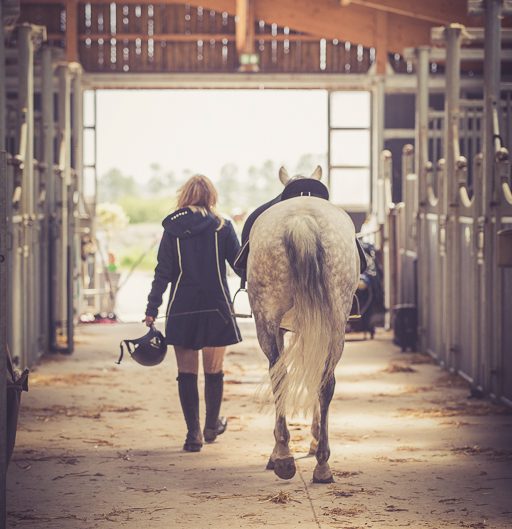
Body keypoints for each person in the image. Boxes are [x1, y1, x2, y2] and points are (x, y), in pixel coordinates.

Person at [144, 174, 242, 453]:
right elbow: (238, 265)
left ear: (184, 195)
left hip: (182, 308)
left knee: (186, 373)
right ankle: (212, 426)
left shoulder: (172, 228)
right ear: (212, 196)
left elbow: (162, 272)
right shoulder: (223, 226)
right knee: (214, 370)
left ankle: (193, 436)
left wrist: (152, 309)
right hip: (217, 308)